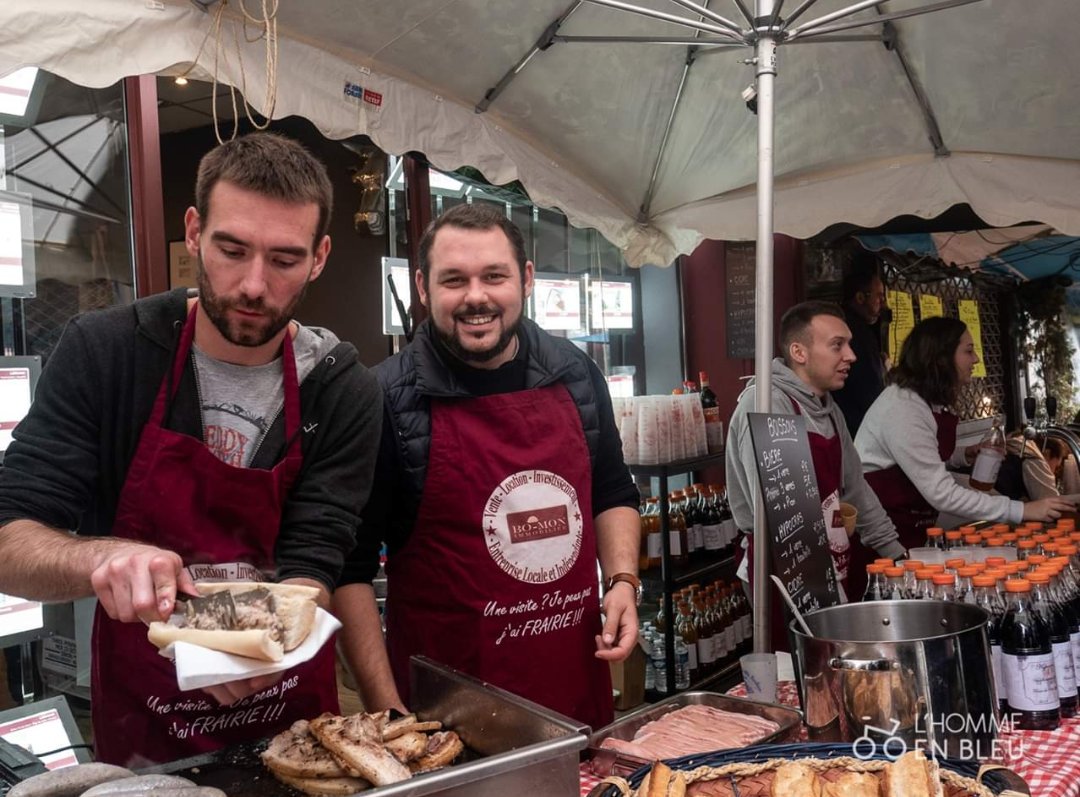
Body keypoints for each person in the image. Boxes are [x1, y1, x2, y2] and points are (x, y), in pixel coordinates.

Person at [0, 132, 383, 766]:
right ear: (194, 229)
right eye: (232, 250)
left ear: (320, 257)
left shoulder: (341, 386)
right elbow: (9, 538)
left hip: (289, 724)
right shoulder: (107, 352)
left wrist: (260, 640)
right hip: (149, 731)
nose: (253, 285)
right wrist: (103, 558)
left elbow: (316, 558)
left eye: (284, 260)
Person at [332, 204, 640, 730]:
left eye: (493, 276)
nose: (476, 296)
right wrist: (389, 713)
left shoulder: (577, 374)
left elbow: (613, 493)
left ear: (524, 280)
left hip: (574, 701)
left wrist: (623, 582)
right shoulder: (383, 398)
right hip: (447, 726)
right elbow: (350, 571)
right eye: (454, 280)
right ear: (424, 289)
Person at [725, 301, 904, 649]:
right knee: (801, 673)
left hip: (832, 564)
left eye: (849, 344)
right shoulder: (766, 405)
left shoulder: (826, 406)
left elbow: (855, 489)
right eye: (837, 345)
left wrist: (894, 552)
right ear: (799, 352)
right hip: (781, 571)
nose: (850, 355)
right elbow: (785, 519)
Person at [855, 316, 1074, 561]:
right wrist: (1021, 510)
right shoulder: (904, 408)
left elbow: (919, 458)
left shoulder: (929, 401)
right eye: (968, 351)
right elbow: (941, 492)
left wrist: (962, 454)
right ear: (940, 357)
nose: (976, 359)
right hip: (886, 527)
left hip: (912, 518)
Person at [831, 261, 888, 437]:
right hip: (858, 426)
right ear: (861, 298)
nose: (882, 303)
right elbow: (869, 387)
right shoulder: (858, 332)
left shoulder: (856, 327)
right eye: (878, 297)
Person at [995, 432, 1065, 501]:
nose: (1054, 473)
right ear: (1047, 453)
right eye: (1056, 467)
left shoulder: (1013, 447)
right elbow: (1050, 501)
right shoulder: (1034, 460)